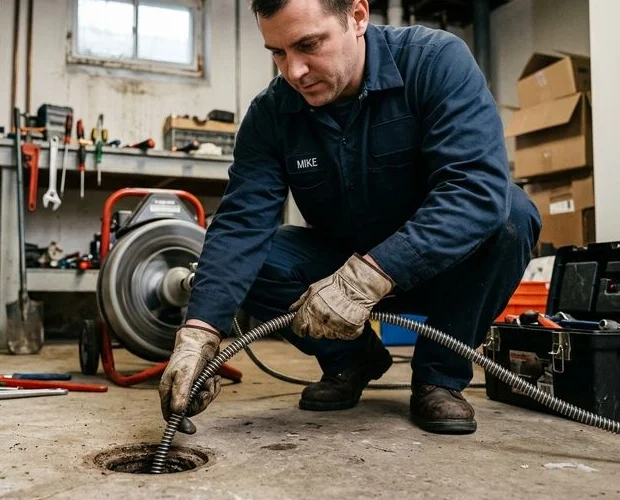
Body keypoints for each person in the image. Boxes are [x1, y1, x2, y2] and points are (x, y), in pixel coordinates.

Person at [158, 0, 541, 435]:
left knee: (512, 213)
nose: (294, 71)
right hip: (334, 273)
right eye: (278, 52)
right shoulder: (271, 114)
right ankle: (352, 360)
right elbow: (241, 224)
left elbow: (476, 189)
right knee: (257, 259)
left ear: (357, 16)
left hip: (443, 271)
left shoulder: (435, 62)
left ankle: (440, 377)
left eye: (308, 45)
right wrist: (199, 331)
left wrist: (371, 276)